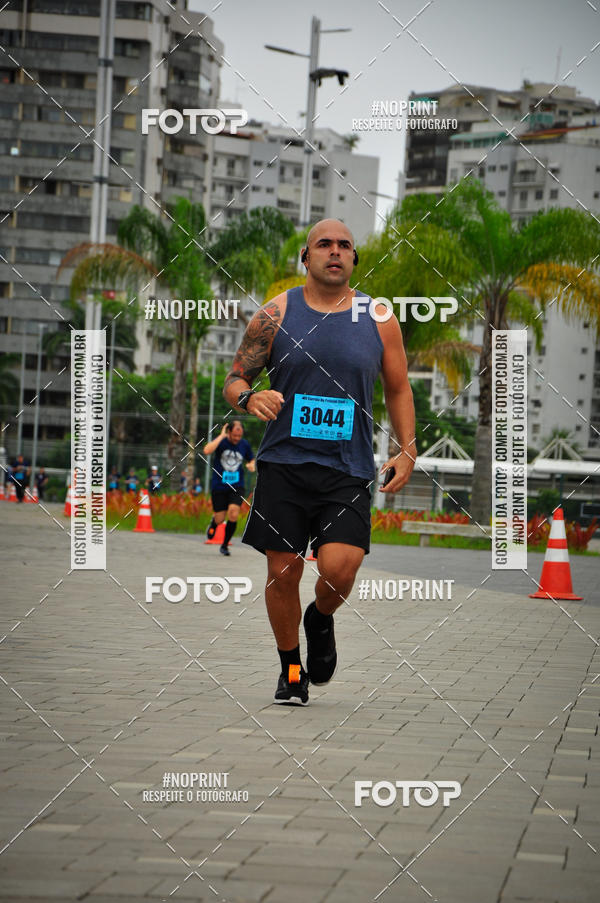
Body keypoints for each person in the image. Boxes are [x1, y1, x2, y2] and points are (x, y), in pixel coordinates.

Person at [223, 219, 415, 706]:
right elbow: (235, 378)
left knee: (341, 567)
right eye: (323, 245)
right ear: (305, 258)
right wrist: (249, 398)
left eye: (344, 246)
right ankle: (291, 668)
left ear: (354, 260)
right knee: (284, 570)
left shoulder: (379, 317)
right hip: (284, 464)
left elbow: (397, 388)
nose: (335, 252)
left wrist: (406, 448)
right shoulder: (276, 313)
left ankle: (321, 617)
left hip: (346, 467)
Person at [203, 420, 255, 557]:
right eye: (234, 436)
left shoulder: (244, 444)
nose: (237, 439)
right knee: (220, 518)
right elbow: (206, 450)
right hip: (219, 485)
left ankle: (225, 545)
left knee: (233, 513)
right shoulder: (222, 441)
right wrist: (221, 436)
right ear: (229, 432)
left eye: (239, 436)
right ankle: (214, 524)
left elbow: (251, 459)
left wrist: (251, 465)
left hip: (237, 486)